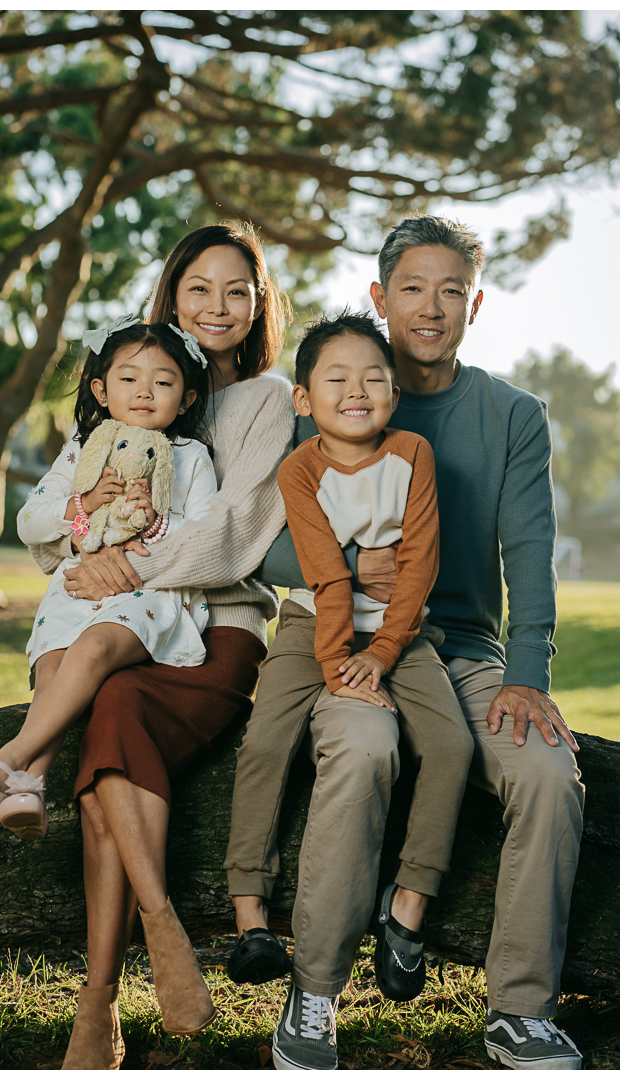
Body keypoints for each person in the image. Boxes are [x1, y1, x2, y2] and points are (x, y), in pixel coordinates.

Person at [258, 215, 585, 1071]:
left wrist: (527, 673)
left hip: (462, 648)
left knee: (550, 773)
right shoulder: (330, 388)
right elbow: (270, 542)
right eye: (413, 288)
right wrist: (352, 561)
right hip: (350, 641)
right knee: (363, 749)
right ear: (380, 297)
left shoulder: (512, 415)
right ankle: (315, 993)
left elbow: (529, 554)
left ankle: (521, 1010)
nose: (431, 308)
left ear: (474, 305)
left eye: (451, 291)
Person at [25, 223, 296, 1068]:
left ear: (258, 309)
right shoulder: (135, 385)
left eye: (238, 292)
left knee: (115, 715)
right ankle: (154, 937)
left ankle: (98, 1001)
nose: (218, 307)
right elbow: (52, 523)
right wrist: (90, 551)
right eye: (200, 288)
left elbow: (237, 529)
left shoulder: (266, 398)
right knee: (106, 700)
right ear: (171, 294)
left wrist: (123, 562)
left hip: (218, 625)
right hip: (118, 617)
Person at [223, 311, 474, 1070]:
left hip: (403, 631)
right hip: (311, 629)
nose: (357, 390)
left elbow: (421, 565)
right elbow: (328, 576)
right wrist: (340, 666)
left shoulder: (414, 454)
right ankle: (249, 915)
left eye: (374, 377)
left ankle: (407, 909)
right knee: (266, 738)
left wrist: (387, 651)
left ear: (394, 393)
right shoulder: (300, 470)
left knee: (453, 744)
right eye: (336, 378)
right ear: (304, 398)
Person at [0, 320, 215, 841]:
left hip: (145, 597)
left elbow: (207, 537)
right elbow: (31, 522)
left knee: (93, 648)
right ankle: (30, 788)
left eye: (163, 383)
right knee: (52, 671)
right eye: (129, 378)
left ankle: (5, 762)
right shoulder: (82, 451)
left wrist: (156, 521)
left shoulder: (189, 457)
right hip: (75, 588)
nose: (145, 392)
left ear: (185, 399)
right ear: (100, 389)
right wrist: (81, 508)